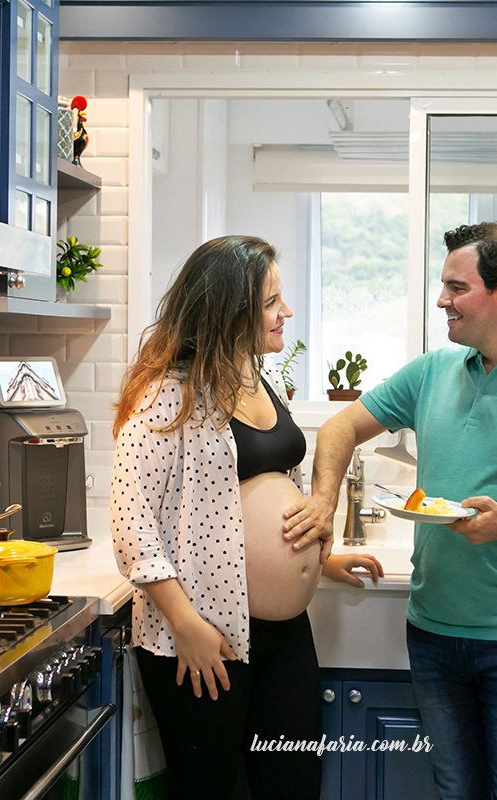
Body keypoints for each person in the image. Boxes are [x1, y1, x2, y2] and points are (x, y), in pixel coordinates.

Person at [283, 221, 497, 800]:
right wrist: (323, 501)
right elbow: (342, 426)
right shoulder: (432, 373)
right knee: (453, 791)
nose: (443, 300)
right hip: (433, 632)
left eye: (456, 288)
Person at [110, 235, 383, 800]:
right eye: (270, 303)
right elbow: (131, 521)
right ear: (228, 312)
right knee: (207, 789)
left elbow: (273, 488)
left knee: (293, 784)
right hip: (205, 633)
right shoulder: (169, 393)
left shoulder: (259, 378)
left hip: (284, 633)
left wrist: (322, 559)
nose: (286, 313)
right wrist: (186, 625)